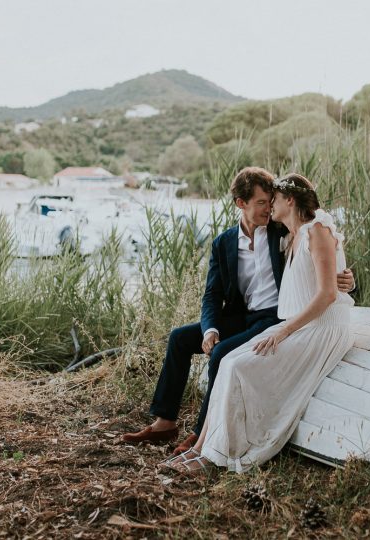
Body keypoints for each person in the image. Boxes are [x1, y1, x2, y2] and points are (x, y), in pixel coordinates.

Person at [118, 168, 355, 454]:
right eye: (260, 203)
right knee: (180, 338)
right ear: (240, 204)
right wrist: (211, 329)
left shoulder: (283, 229)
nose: (268, 208)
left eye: (270, 201)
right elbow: (212, 294)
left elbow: (323, 256)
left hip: (272, 317)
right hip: (240, 317)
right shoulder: (224, 243)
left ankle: (199, 434)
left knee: (221, 354)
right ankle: (164, 422)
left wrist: (349, 281)